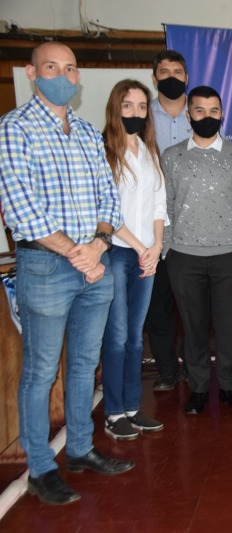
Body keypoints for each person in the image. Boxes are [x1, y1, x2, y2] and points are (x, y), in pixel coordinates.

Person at [0, 42, 134, 505]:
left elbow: (109, 199)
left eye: (70, 68)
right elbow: (22, 207)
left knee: (83, 364)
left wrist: (97, 247)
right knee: (40, 371)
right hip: (46, 266)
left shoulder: (86, 131)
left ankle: (79, 448)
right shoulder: (14, 128)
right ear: (31, 73)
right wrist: (77, 254)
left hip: (94, 264)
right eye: (52, 67)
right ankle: (41, 468)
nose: (63, 75)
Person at [162, 85, 232, 415]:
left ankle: (230, 386)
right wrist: (166, 250)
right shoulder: (172, 156)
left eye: (213, 111)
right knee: (193, 327)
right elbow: (166, 206)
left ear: (222, 114)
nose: (207, 116)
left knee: (228, 327)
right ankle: (199, 388)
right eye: (199, 110)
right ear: (189, 115)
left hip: (231, 256)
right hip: (183, 256)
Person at [100, 79, 168, 440]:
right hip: (115, 252)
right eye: (128, 106)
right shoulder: (103, 151)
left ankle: (131, 407)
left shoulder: (148, 150)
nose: (136, 113)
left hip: (146, 254)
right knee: (116, 336)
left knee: (136, 339)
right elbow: (105, 211)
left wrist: (156, 246)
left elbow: (159, 205)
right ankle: (113, 413)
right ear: (116, 108)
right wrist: (140, 247)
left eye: (142, 107)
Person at [146, 50, 192, 392]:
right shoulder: (141, 115)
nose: (171, 77)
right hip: (152, 223)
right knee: (158, 302)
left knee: (193, 303)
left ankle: (193, 363)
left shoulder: (201, 113)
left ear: (186, 77)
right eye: (164, 72)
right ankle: (165, 370)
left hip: (193, 223)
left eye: (177, 71)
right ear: (154, 78)